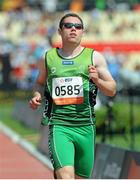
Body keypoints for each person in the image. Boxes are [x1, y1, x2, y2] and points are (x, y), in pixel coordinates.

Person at [29, 12, 116, 179]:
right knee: (66, 176)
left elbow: (112, 89)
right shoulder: (47, 58)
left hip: (86, 127)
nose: (73, 29)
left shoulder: (94, 57)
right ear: (60, 31)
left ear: (83, 31)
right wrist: (36, 95)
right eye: (68, 26)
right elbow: (39, 82)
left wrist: (97, 80)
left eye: (78, 26)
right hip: (59, 126)